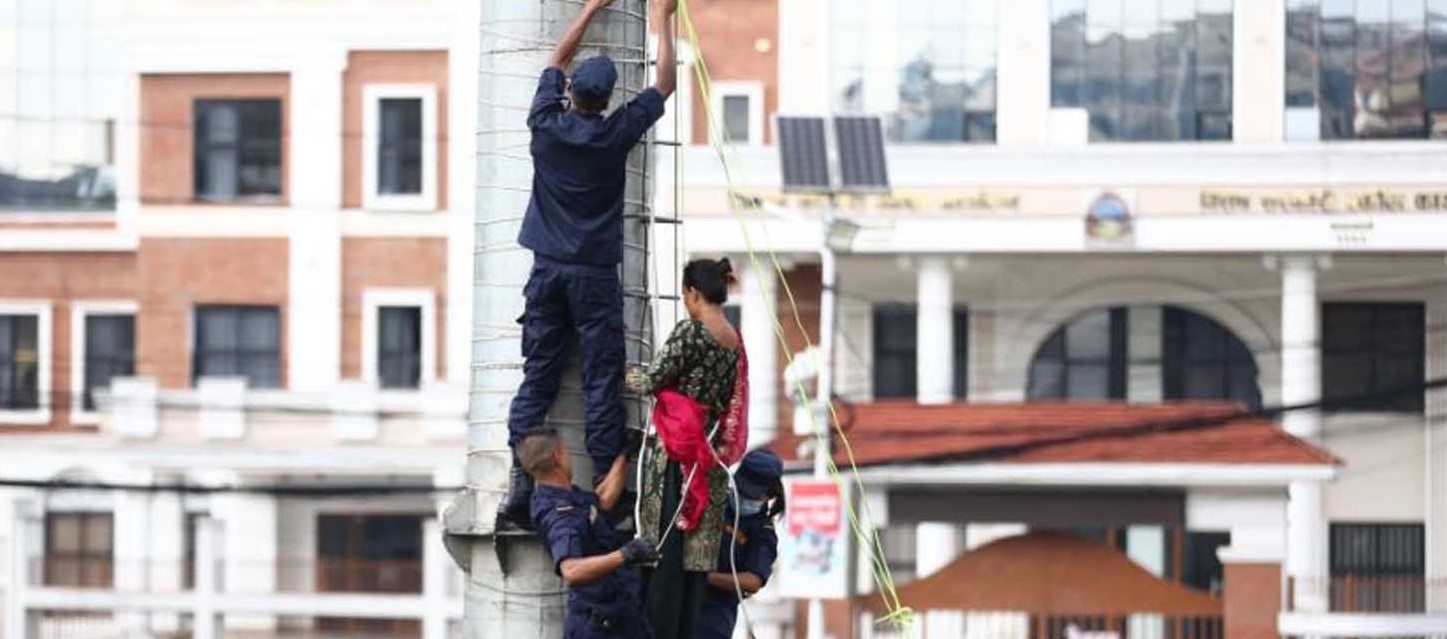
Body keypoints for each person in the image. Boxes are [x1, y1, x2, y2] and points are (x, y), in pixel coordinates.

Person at [501, 0, 680, 531]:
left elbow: (554, 60)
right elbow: (665, 85)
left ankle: (522, 475)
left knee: (540, 376)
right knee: (601, 381)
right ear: (607, 100)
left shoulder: (545, 124)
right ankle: (612, 487)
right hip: (596, 278)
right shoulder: (613, 135)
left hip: (547, 271)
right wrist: (661, 23)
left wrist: (590, 8)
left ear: (572, 92)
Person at [628, 258, 751, 639]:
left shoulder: (690, 332)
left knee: (663, 553)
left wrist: (624, 370)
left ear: (693, 293)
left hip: (676, 457)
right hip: (708, 462)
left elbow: (650, 380)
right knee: (694, 563)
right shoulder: (733, 339)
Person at [523, 429, 661, 638]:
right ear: (558, 454)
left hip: (617, 614)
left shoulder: (566, 495)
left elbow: (603, 500)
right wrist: (626, 554)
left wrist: (624, 456)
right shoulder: (560, 514)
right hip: (600, 624)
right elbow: (571, 570)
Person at [696, 449, 784, 639]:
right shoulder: (717, 501)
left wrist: (706, 577)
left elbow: (753, 581)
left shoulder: (763, 534)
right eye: (740, 489)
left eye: (749, 494)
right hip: (680, 597)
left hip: (713, 616)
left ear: (769, 495)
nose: (742, 496)